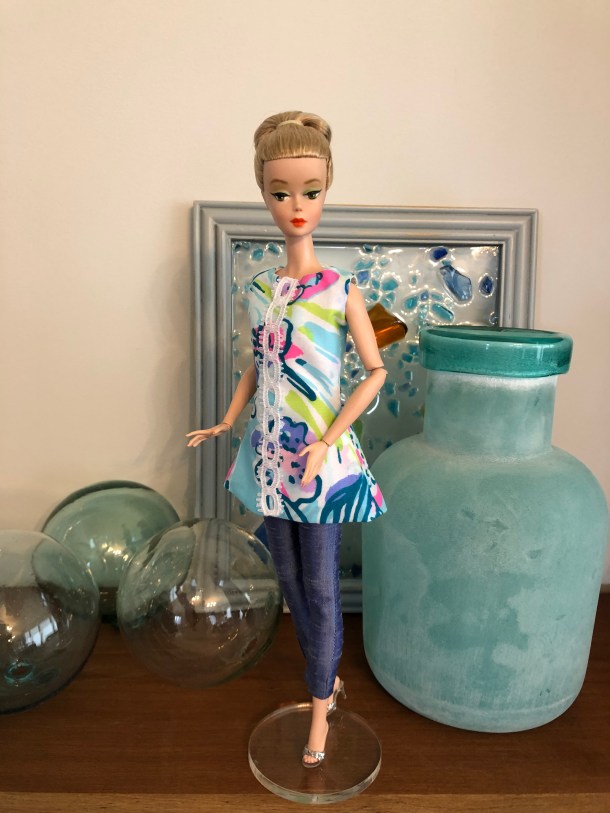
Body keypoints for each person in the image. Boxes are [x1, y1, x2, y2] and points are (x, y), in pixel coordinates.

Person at [187, 111, 387, 768]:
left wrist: (329, 438)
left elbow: (375, 371)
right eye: (280, 192)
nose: (296, 206)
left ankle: (320, 706)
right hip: (271, 458)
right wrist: (227, 419)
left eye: (310, 190)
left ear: (327, 190)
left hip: (317, 460)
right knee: (292, 582)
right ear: (263, 194)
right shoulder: (260, 289)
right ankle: (323, 679)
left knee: (323, 586)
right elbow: (259, 362)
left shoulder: (342, 290)